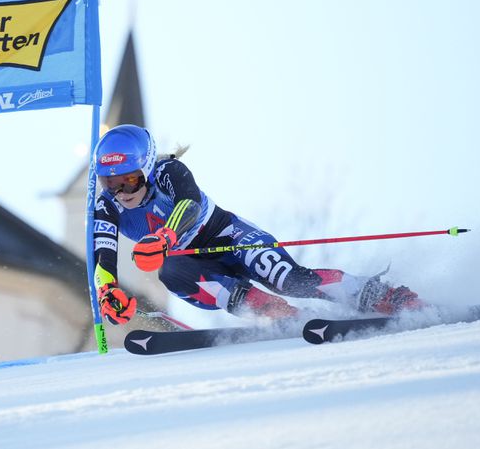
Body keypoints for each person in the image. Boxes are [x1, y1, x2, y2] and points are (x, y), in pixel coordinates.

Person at [92, 124, 423, 326]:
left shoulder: (169, 172)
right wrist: (108, 291)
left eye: (130, 180)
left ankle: (387, 297)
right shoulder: (107, 206)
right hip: (190, 260)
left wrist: (165, 236)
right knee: (170, 272)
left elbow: (188, 203)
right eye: (111, 183)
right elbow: (103, 255)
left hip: (228, 236)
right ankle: (274, 312)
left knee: (289, 279)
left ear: (147, 169)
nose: (121, 191)